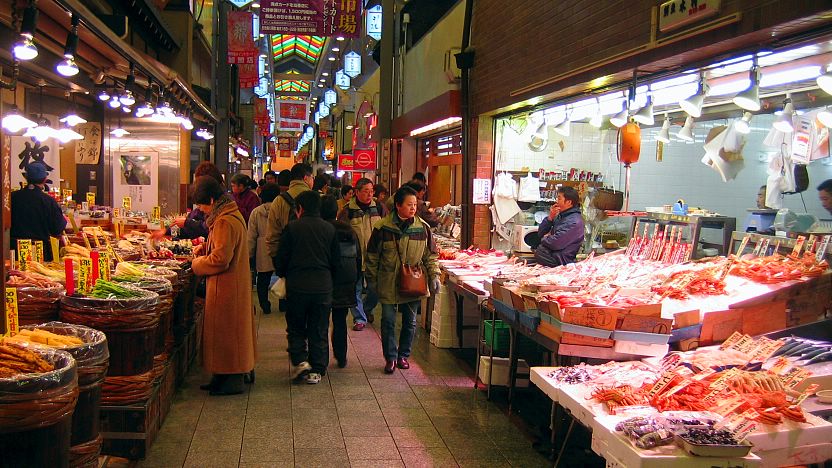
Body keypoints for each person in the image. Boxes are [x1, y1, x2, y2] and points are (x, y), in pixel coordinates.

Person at [190, 176, 256, 395]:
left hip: (227, 287)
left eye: (201, 204)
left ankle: (231, 378)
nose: (201, 210)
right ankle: (221, 375)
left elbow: (221, 259)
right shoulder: (228, 215)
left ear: (211, 199)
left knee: (227, 335)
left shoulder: (224, 221)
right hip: (230, 286)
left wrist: (197, 263)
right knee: (224, 334)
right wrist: (206, 248)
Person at [365, 186, 440, 374]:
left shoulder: (422, 228)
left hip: (413, 282)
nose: (413, 208)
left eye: (415, 205)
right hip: (388, 280)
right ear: (398, 205)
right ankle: (390, 357)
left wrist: (434, 275)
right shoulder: (382, 227)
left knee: (410, 321)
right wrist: (372, 280)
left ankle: (403, 356)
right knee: (388, 320)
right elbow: (372, 256)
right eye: (409, 205)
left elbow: (430, 255)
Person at [275, 191, 340, 384]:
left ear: (300, 209)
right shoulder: (329, 229)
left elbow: (281, 259)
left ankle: (301, 361)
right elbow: (336, 261)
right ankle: (317, 370)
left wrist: (283, 273)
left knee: (296, 327)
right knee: (319, 327)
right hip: (323, 287)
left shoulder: (292, 228)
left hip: (298, 286)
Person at [337, 177, 387, 330]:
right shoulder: (348, 211)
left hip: (374, 257)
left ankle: (365, 309)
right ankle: (359, 319)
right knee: (355, 289)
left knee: (375, 289)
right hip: (355, 258)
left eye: (371, 191)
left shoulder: (379, 208)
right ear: (356, 192)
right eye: (366, 191)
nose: (369, 194)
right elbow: (341, 233)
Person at [321, 195, 360, 368]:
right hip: (345, 281)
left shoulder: (320, 230)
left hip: (323, 282)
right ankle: (341, 356)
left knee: (320, 321)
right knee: (340, 321)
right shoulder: (348, 230)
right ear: (336, 211)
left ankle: (321, 358)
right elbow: (358, 258)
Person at [10, 162, 67, 262]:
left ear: (26, 178)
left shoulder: (11, 198)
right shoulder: (48, 201)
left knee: (16, 276)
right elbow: (57, 228)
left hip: (14, 251)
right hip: (40, 252)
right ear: (45, 179)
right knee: (37, 277)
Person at [248, 183, 280, 315]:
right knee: (281, 276)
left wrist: (249, 254)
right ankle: (283, 303)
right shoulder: (281, 210)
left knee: (262, 279)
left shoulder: (256, 212)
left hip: (262, 246)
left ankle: (264, 304)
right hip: (278, 245)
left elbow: (251, 235)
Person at [534, 186, 585, 267]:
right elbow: (540, 233)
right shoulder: (560, 216)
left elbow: (555, 243)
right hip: (551, 261)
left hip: (561, 264)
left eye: (559, 198)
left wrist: (545, 238)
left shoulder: (574, 222)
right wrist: (550, 218)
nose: (556, 201)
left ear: (568, 202)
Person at [177, 162, 224, 240]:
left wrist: (188, 222)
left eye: (200, 183)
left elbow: (206, 229)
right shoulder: (214, 202)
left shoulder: (223, 213)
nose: (200, 208)